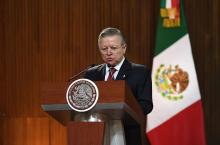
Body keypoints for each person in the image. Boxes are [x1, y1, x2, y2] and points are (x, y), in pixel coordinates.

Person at [84, 27, 153, 145]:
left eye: (113, 48)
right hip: (96, 135)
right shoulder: (91, 73)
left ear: (124, 48)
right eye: (104, 48)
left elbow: (146, 105)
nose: (108, 52)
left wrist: (121, 111)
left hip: (128, 135)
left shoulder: (140, 72)